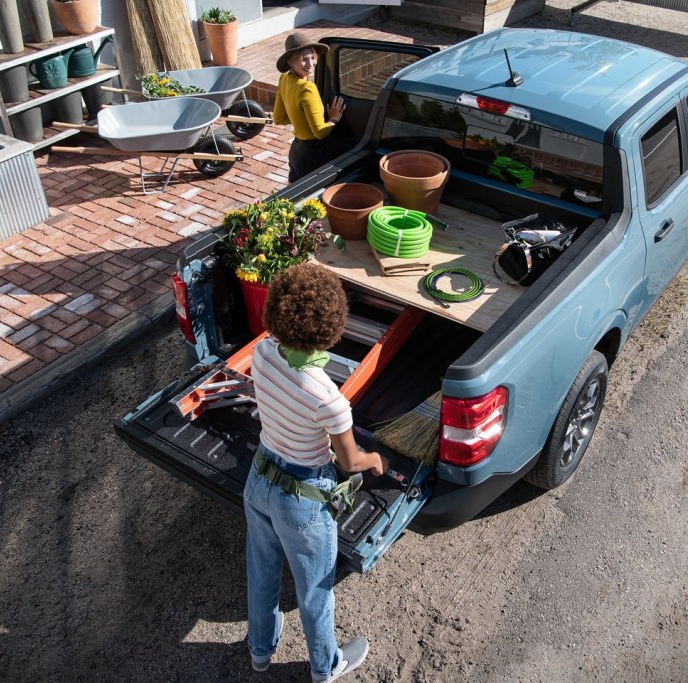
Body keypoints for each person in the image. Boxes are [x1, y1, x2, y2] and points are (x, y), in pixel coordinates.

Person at [244, 262, 387, 680]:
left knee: (262, 571)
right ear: (331, 328)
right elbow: (350, 462)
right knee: (314, 592)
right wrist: (376, 461)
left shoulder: (262, 352)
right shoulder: (329, 399)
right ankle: (326, 667)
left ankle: (260, 650)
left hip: (259, 479)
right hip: (301, 501)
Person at [273, 31, 347, 183]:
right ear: (290, 62)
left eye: (313, 58)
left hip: (296, 152)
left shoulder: (284, 79)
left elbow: (279, 118)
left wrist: (300, 119)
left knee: (293, 199)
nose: (310, 64)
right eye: (303, 60)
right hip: (313, 155)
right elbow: (320, 132)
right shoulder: (307, 89)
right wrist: (334, 118)